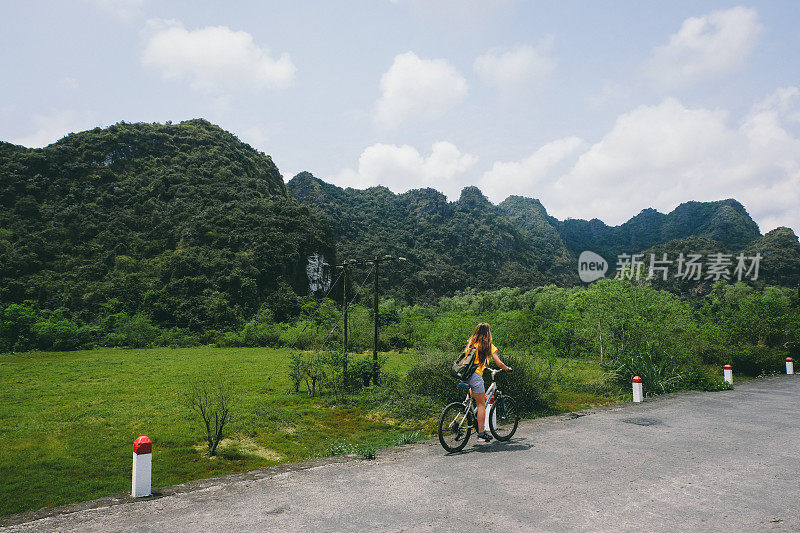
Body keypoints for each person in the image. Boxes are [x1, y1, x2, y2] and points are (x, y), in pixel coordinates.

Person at [464, 322, 511, 443]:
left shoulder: (471, 342)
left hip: (465, 374)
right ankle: (481, 434)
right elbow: (499, 363)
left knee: (474, 392)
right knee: (481, 405)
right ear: (488, 333)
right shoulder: (489, 345)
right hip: (476, 376)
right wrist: (506, 368)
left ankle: (466, 404)